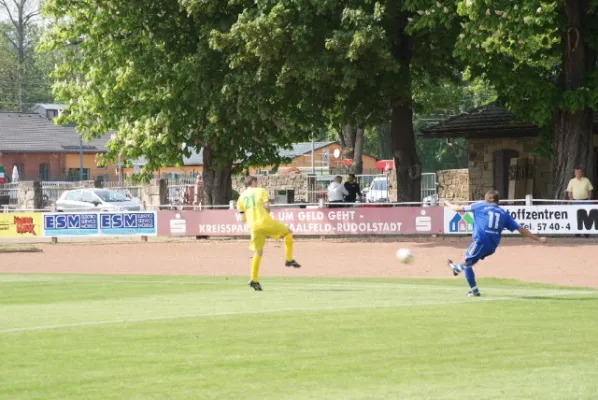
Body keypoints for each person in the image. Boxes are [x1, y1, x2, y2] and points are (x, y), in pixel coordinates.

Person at [444, 190, 547, 297]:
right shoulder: (503, 213)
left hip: (481, 240)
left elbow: (456, 208)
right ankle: (457, 269)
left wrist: (447, 203)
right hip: (493, 245)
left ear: (486, 199)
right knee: (469, 263)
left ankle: (473, 290)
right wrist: (539, 239)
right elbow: (521, 229)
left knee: (467, 263)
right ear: (498, 201)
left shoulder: (479, 206)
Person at [237, 176, 301, 291]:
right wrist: (266, 213)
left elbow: (242, 219)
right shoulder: (260, 190)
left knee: (258, 252)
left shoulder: (241, 198)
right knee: (288, 232)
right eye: (256, 182)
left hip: (253, 226)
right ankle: (288, 259)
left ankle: (254, 279)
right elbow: (267, 206)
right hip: (264, 221)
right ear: (253, 182)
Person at [567, 167, 593, 238]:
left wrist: (589, 200)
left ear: (582, 173)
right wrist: (571, 200)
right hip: (576, 201)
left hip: (585, 200)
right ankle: (577, 232)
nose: (578, 173)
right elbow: (569, 192)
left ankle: (586, 232)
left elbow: (589, 190)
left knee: (586, 216)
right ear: (574, 173)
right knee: (577, 217)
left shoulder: (586, 180)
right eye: (576, 172)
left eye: (579, 172)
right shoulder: (572, 181)